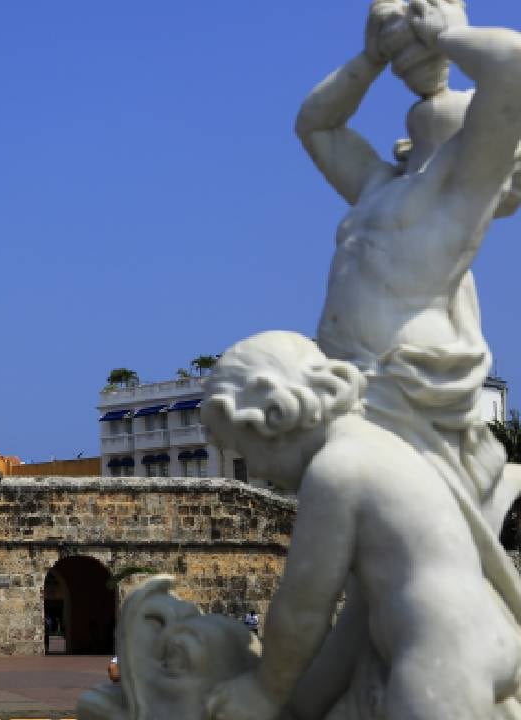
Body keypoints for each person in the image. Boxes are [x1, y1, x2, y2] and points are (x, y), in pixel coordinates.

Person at [201, 331, 521, 720]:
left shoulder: (336, 470)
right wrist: (301, 705)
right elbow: (356, 621)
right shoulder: (384, 446)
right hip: (486, 635)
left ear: (276, 413)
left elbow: (303, 609)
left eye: (245, 451)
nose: (254, 471)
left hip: (440, 661)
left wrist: (265, 691)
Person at [297, 0, 521, 530]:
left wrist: (446, 36)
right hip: (355, 387)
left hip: (406, 389)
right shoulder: (380, 189)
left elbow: (511, 62)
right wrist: (372, 57)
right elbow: (316, 126)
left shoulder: (461, 196)